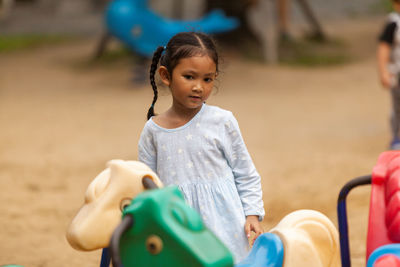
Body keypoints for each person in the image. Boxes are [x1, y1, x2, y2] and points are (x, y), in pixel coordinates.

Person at [138, 32, 265, 262]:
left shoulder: (222, 121)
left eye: (207, 79)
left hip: (225, 225)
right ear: (166, 76)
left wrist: (252, 214)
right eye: (189, 77)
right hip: (177, 226)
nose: (199, 87)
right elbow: (147, 186)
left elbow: (245, 173)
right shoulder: (153, 131)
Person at [377, 0, 400, 150]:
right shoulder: (394, 23)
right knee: (398, 107)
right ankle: (397, 137)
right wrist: (384, 71)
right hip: (398, 73)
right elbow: (384, 48)